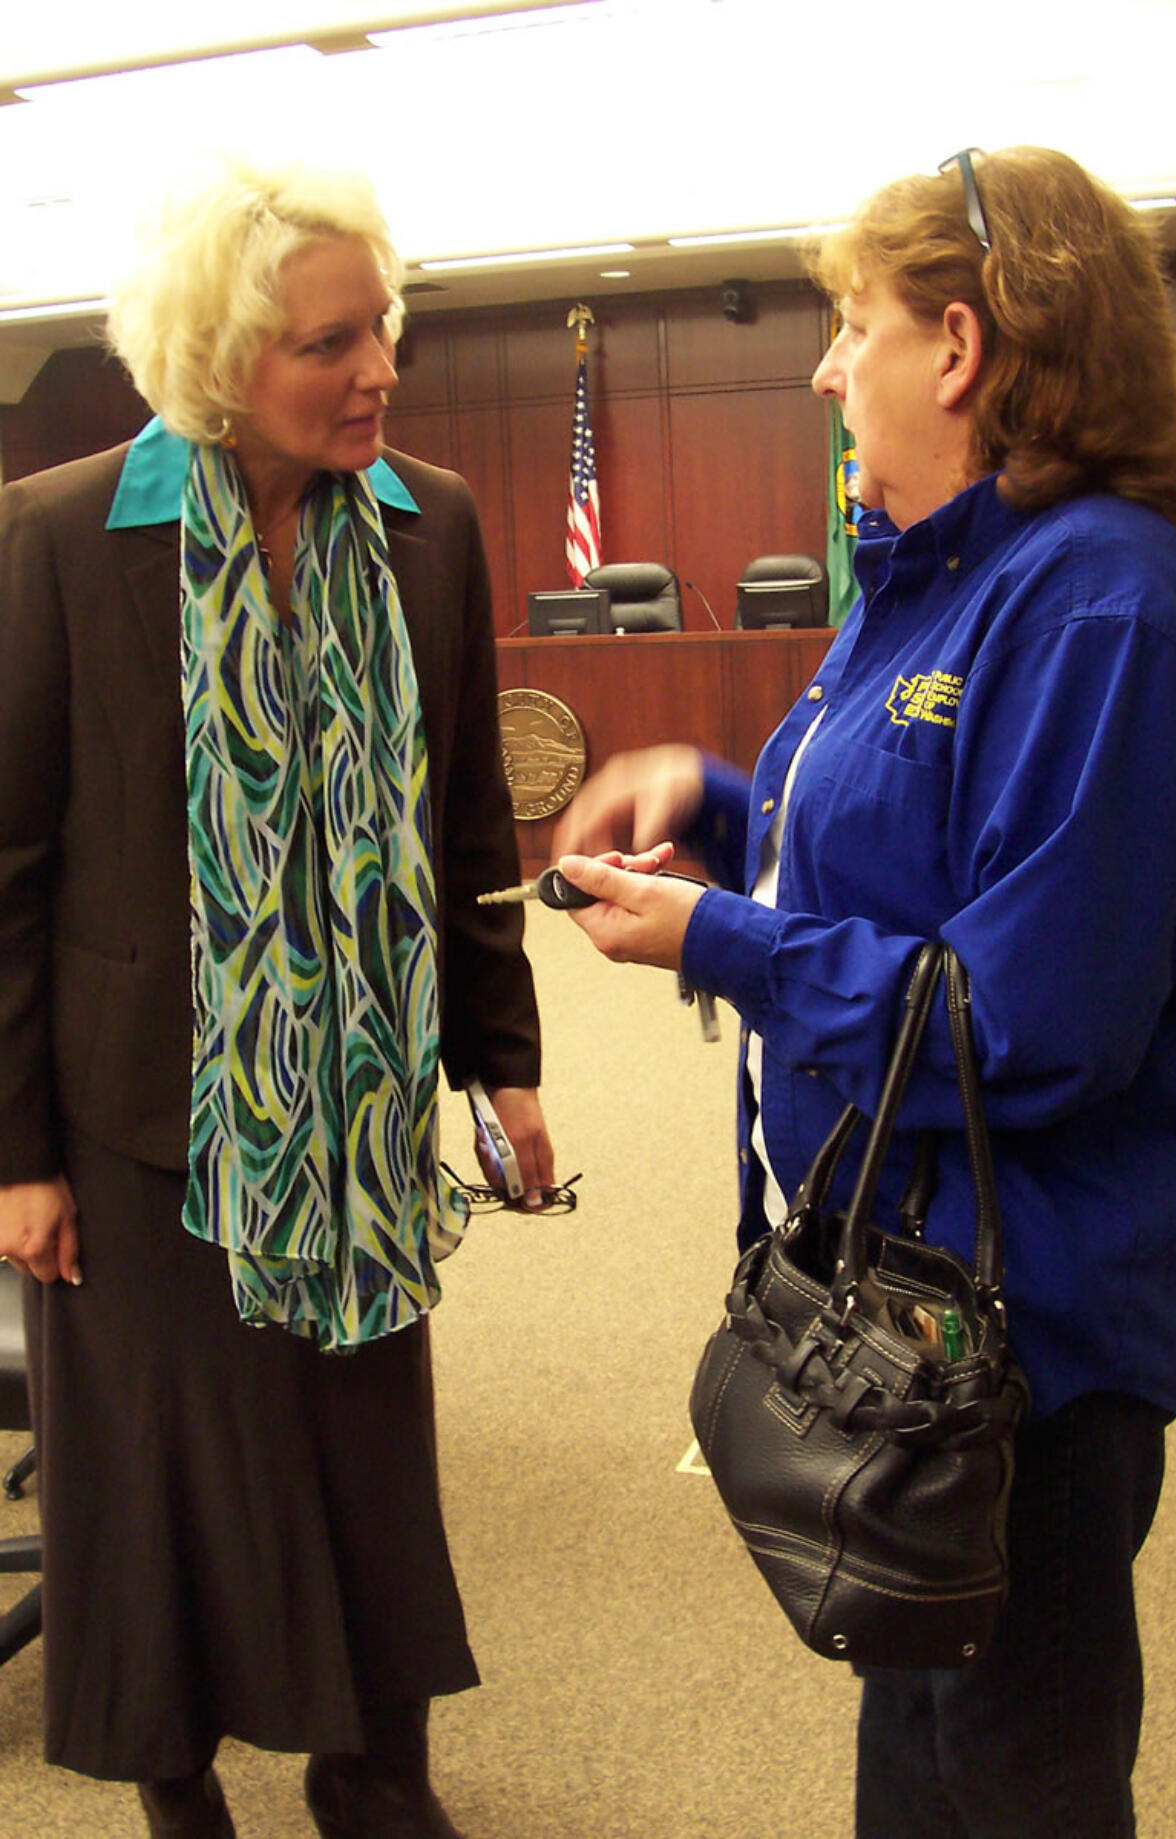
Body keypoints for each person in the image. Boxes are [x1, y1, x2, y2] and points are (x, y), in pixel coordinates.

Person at [553, 146, 1176, 1838]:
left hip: (1035, 1329)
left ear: (959, 343)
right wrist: (722, 801)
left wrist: (718, 943)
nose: (823, 367)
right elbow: (916, 841)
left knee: (1014, 1772)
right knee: (920, 1741)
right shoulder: (936, 569)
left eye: (850, 326)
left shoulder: (1103, 607)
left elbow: (1028, 1026)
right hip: (911, 1282)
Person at [0, 159, 555, 1839]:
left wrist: (502, 1065)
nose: (379, 366)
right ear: (221, 361)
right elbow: (8, 872)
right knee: (161, 1475)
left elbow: (466, 823)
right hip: (144, 1111)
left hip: (363, 1105)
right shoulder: (58, 539)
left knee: (363, 1459)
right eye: (331, 343)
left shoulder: (427, 523)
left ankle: (375, 1775)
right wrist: (17, 1150)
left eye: (383, 326)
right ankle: (180, 1791)